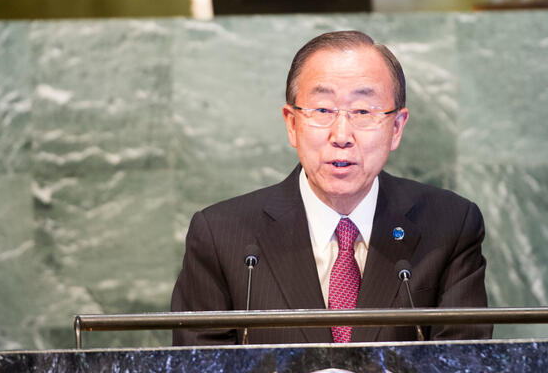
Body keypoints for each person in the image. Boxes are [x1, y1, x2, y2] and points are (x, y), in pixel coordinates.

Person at [170, 30, 490, 345]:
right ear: (292, 123)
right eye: (323, 110)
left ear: (396, 127)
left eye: (363, 111)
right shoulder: (221, 236)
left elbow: (462, 369)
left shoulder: (449, 227)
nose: (341, 136)